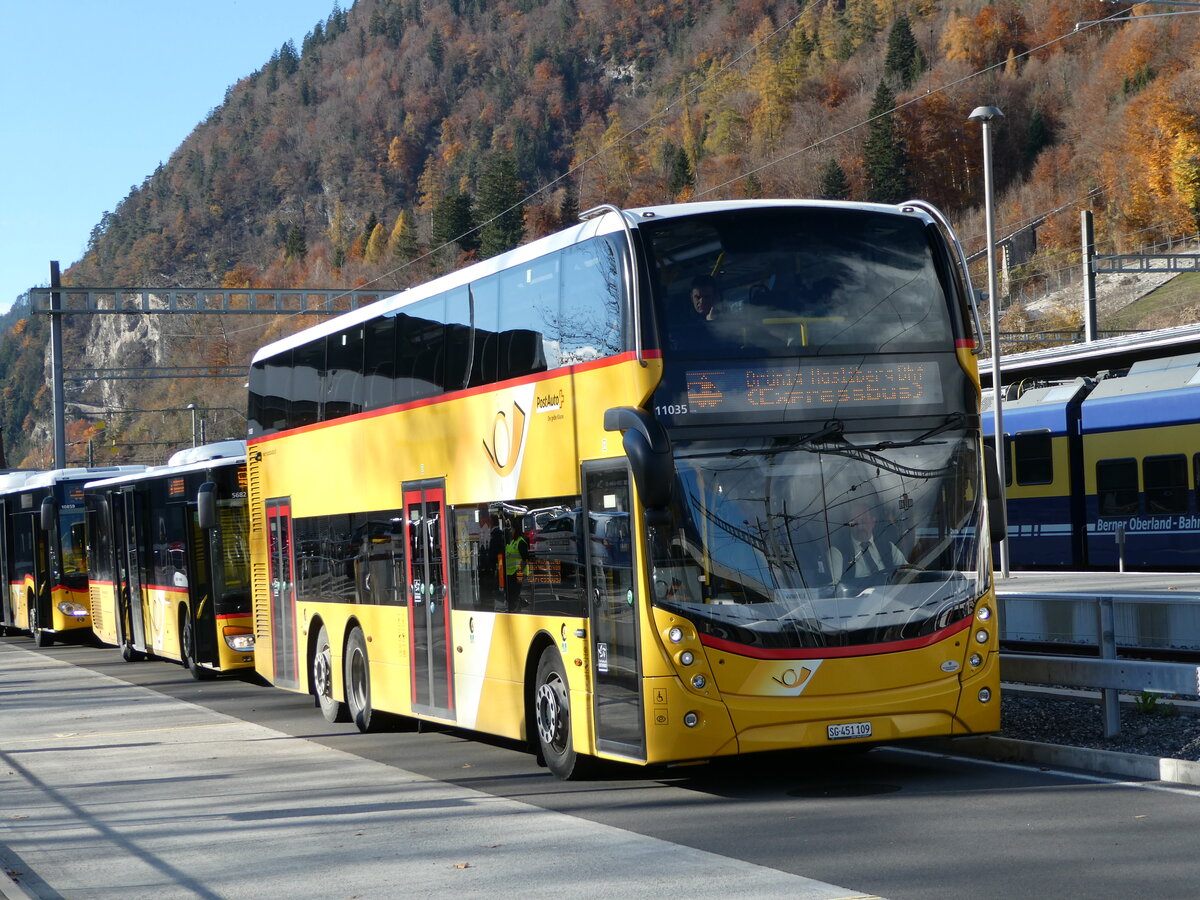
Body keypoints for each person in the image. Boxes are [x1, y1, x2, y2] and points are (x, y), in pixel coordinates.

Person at [840, 498, 905, 583]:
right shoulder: (839, 552)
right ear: (849, 525)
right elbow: (834, 589)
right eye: (855, 523)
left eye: (863, 521)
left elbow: (907, 572)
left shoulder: (888, 547)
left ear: (873, 521)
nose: (860, 527)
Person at [504, 518, 531, 612]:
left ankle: (516, 610)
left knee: (514, 595)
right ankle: (519, 605)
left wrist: (519, 572)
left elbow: (526, 559)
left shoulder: (520, 542)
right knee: (510, 595)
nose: (510, 531)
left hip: (518, 573)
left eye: (511, 529)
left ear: (515, 529)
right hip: (510, 573)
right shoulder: (511, 542)